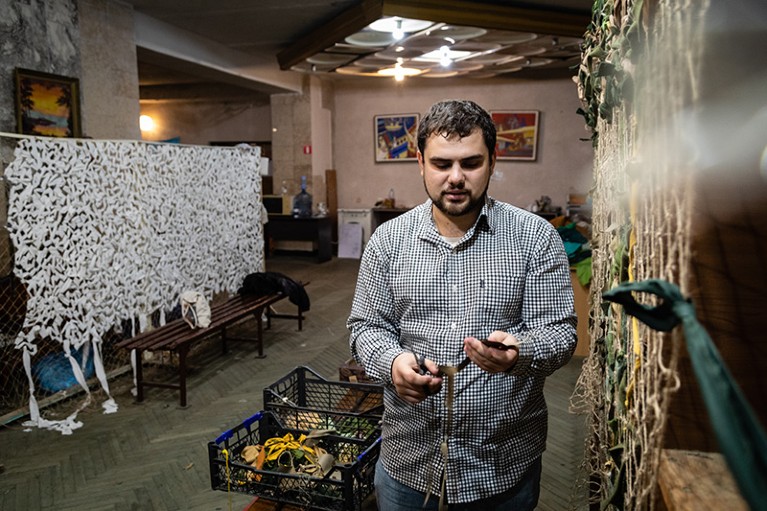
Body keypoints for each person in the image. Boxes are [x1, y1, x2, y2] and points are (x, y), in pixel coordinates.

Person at [347, 99, 577, 510]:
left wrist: (521, 353)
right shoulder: (388, 241)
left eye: (470, 163)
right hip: (409, 462)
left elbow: (560, 333)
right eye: (441, 164)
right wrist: (391, 362)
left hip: (502, 466)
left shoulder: (535, 238)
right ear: (420, 162)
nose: (455, 178)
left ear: (493, 160)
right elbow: (366, 325)